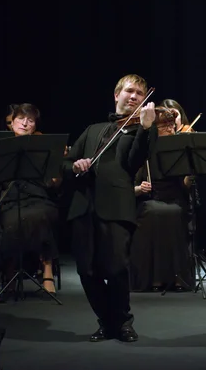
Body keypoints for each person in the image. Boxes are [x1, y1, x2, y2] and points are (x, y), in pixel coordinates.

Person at [63, 74, 157, 342]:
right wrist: (74, 166)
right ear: (117, 95)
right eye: (129, 91)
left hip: (117, 205)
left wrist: (147, 128)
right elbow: (65, 164)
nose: (134, 96)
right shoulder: (93, 129)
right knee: (86, 271)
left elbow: (134, 161)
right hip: (84, 206)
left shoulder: (141, 129)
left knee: (116, 268)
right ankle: (106, 321)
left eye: (140, 93)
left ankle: (123, 322)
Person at [0, 103, 59, 296]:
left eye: (30, 120)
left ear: (35, 126)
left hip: (39, 199)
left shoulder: (43, 149)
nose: (25, 123)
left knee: (43, 214)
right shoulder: (0, 149)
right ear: (11, 123)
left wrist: (55, 179)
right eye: (20, 119)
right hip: (10, 201)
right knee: (12, 220)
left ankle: (47, 272)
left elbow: (53, 183)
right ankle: (9, 270)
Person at [129, 101, 192, 292]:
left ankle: (178, 278)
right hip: (150, 199)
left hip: (175, 199)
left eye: (171, 126)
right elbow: (129, 187)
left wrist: (191, 173)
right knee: (154, 212)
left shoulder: (179, 149)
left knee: (173, 212)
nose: (169, 129)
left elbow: (185, 186)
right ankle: (154, 278)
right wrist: (140, 188)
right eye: (164, 126)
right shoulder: (144, 150)